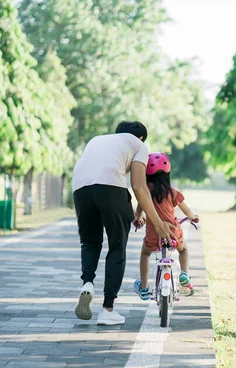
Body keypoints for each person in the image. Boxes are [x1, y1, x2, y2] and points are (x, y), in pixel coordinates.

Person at [71, 121, 176, 326]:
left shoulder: (97, 140)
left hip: (80, 188)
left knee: (90, 242)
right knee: (117, 246)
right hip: (110, 188)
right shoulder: (138, 145)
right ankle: (107, 309)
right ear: (141, 138)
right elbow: (139, 186)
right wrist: (158, 222)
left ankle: (88, 283)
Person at [132, 152, 198, 299]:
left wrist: (138, 218)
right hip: (173, 231)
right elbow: (186, 210)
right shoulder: (172, 192)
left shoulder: (146, 192)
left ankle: (143, 287)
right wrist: (193, 218)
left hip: (153, 233)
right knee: (183, 250)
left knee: (145, 254)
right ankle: (184, 275)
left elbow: (139, 208)